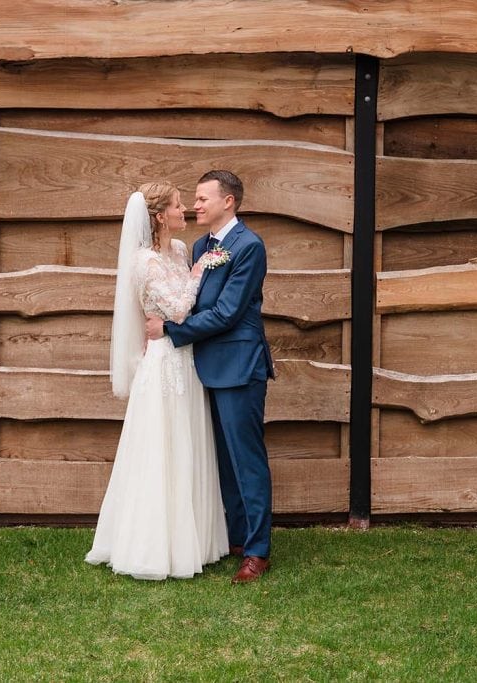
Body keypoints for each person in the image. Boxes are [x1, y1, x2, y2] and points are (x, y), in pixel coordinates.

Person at [86, 182, 229, 580]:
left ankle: (195, 542)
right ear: (158, 216)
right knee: (160, 449)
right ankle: (152, 546)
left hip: (186, 360)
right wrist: (201, 271)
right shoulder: (144, 262)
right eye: (178, 205)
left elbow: (177, 313)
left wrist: (191, 273)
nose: (186, 210)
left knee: (189, 444)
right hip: (163, 363)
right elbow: (181, 307)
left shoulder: (182, 251)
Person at [146, 170, 275, 584]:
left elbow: (228, 312)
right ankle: (236, 537)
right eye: (194, 200)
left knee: (246, 459)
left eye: (203, 199)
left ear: (228, 202)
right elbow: (188, 299)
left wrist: (169, 331)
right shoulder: (201, 246)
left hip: (239, 366)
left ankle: (257, 551)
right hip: (204, 367)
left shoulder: (249, 246)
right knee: (221, 459)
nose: (194, 206)